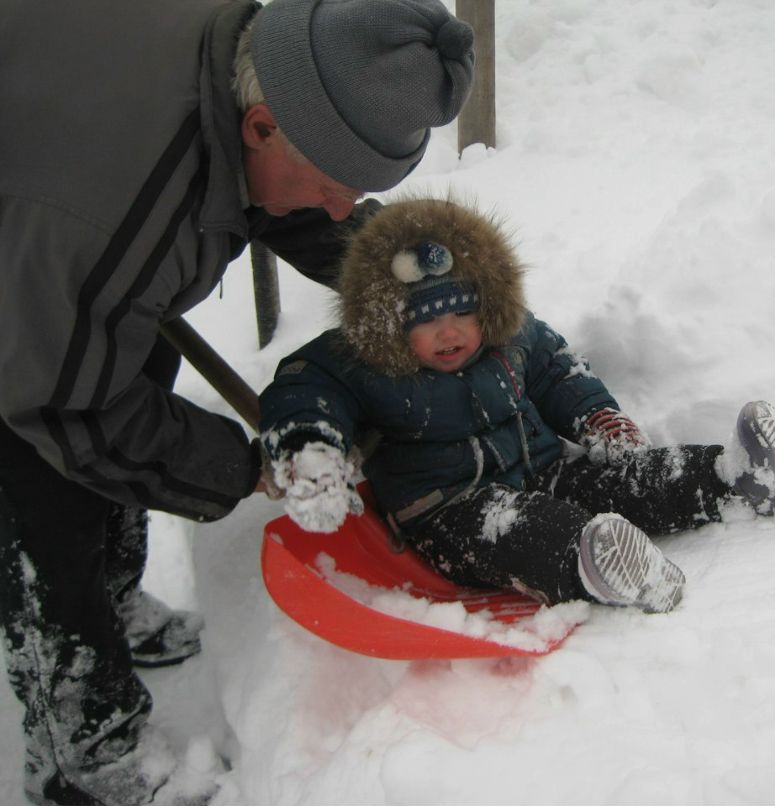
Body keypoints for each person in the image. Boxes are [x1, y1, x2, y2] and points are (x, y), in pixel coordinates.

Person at [0, 0, 475, 803]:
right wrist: (246, 469)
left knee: (121, 343)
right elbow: (68, 408)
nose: (337, 206)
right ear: (259, 127)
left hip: (80, 230)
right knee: (42, 497)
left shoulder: (255, 63)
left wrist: (422, 287)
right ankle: (87, 747)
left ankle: (114, 591)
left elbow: (263, 198)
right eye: (333, 186)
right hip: (35, 252)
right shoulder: (119, 209)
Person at [259, 198, 775, 618]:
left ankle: (735, 476)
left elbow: (557, 370)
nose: (448, 333)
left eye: (463, 314)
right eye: (424, 320)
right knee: (522, 529)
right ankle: (594, 562)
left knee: (623, 480)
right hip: (452, 512)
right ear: (388, 323)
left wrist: (598, 418)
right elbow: (305, 391)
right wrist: (310, 449)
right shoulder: (360, 359)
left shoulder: (513, 334)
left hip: (543, 470)